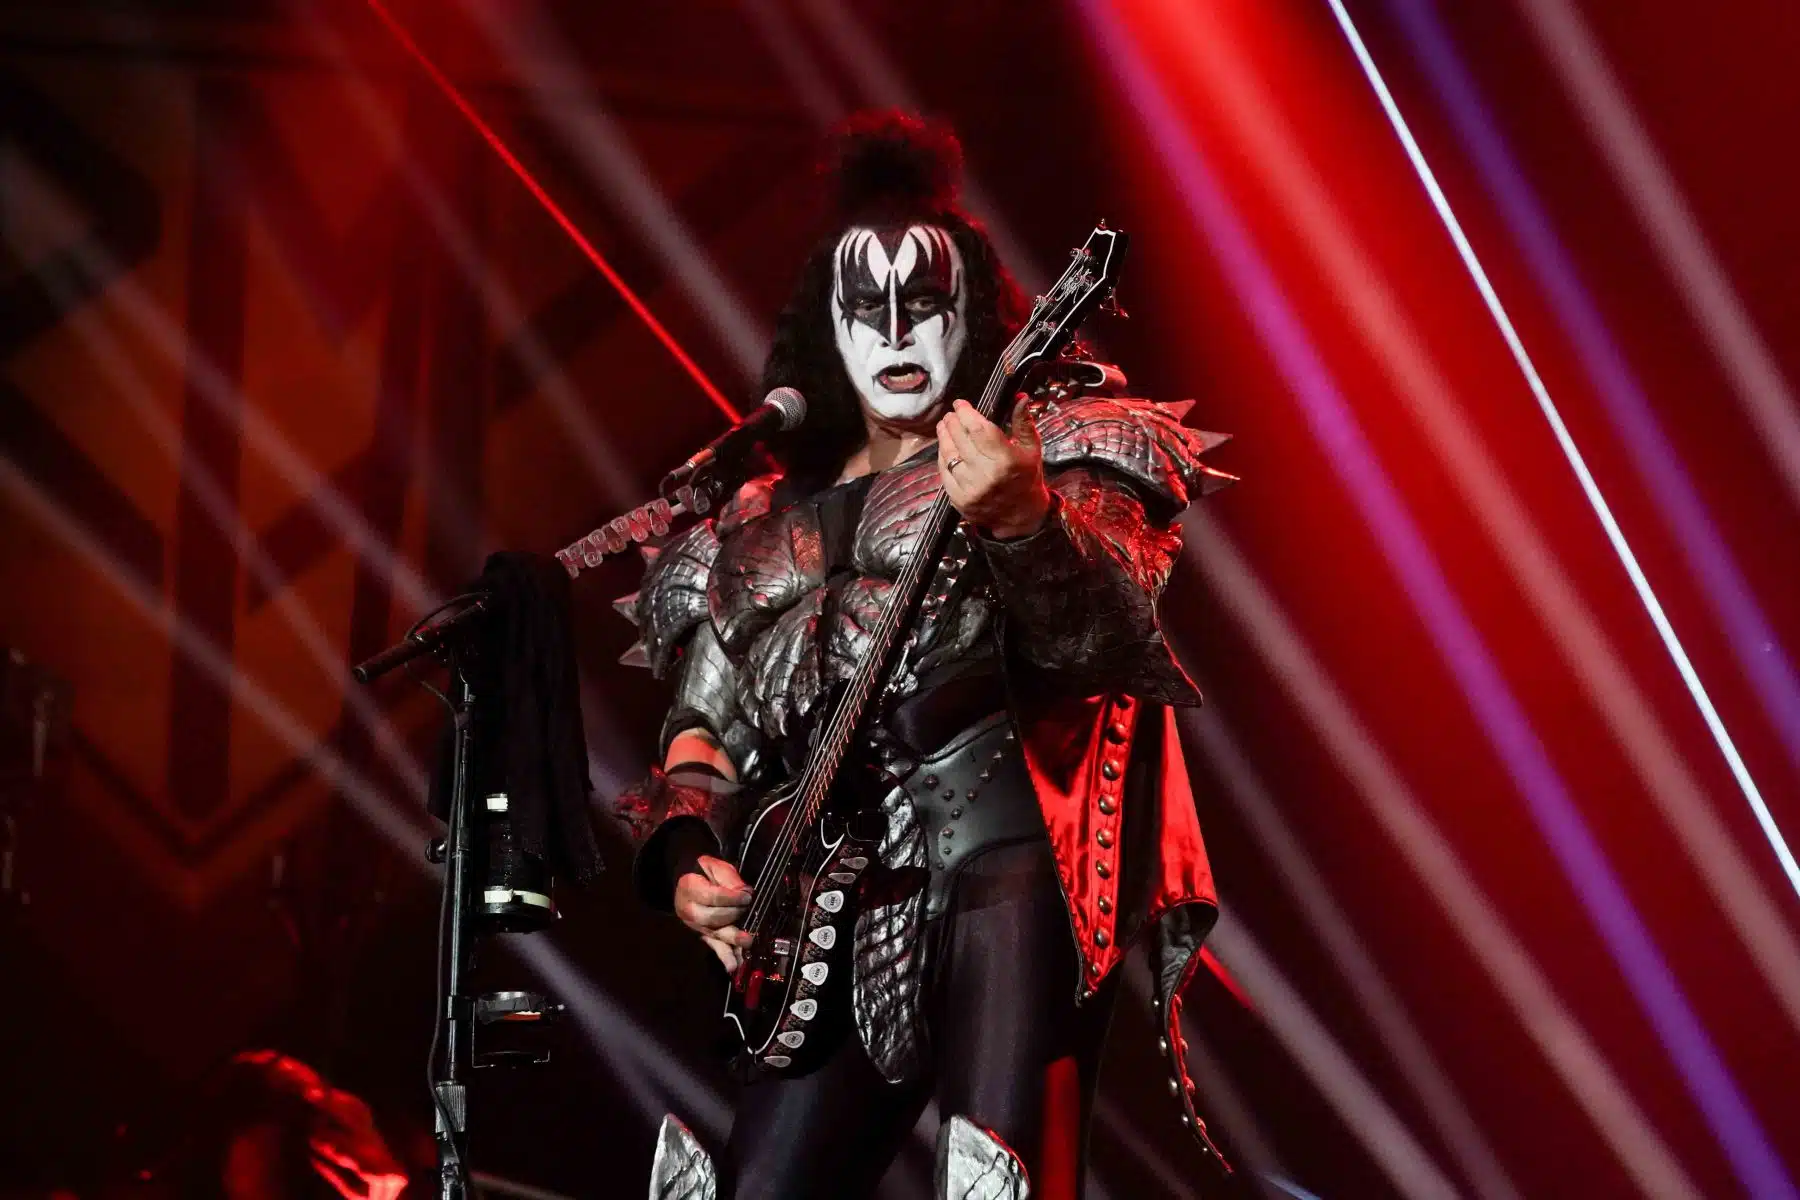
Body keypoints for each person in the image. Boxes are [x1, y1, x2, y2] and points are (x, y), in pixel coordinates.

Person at [606, 111, 1235, 1200]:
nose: (896, 329)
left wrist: (1027, 518)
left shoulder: (1059, 440)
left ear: (973, 312)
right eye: (867, 307)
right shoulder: (751, 521)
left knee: (993, 1175)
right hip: (826, 902)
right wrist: (685, 861)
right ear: (826, 326)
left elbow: (1111, 635)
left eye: (926, 302)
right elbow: (700, 733)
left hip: (1009, 859)